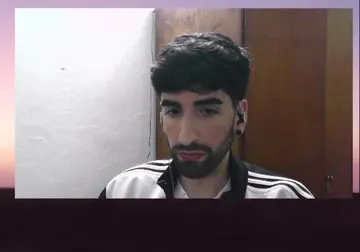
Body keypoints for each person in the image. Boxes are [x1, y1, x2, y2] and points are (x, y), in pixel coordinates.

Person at [100, 32, 313, 199]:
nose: (186, 137)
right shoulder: (124, 191)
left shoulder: (284, 197)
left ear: (240, 116)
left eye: (207, 111)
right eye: (173, 111)